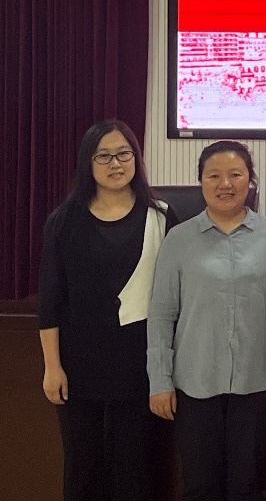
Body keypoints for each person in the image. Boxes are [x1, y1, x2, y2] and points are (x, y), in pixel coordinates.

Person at [38, 119, 181, 501]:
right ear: (88, 162)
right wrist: (52, 367)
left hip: (140, 365)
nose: (115, 163)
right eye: (103, 156)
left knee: (136, 465)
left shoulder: (161, 216)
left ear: (136, 158)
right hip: (78, 364)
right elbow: (50, 300)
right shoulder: (64, 221)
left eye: (123, 154)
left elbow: (178, 295)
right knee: (82, 464)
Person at [147, 140, 266, 501]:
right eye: (214, 176)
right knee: (200, 487)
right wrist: (159, 380)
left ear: (250, 181)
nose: (225, 184)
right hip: (194, 384)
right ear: (201, 182)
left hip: (256, 381)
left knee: (246, 485)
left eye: (235, 175)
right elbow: (162, 314)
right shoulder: (179, 239)